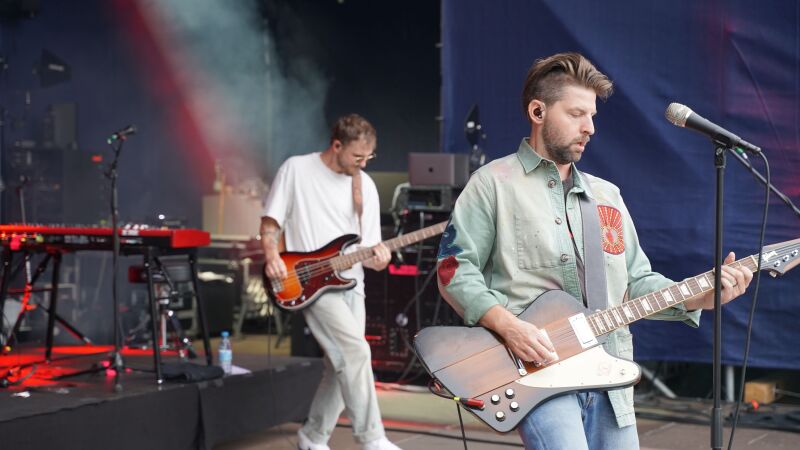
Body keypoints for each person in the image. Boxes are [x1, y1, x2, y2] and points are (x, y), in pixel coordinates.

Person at [436, 52, 753, 449]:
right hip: (539, 376)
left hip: (610, 376)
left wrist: (704, 296)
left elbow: (636, 281)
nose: (590, 128)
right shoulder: (493, 183)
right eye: (576, 114)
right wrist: (509, 326)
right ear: (538, 111)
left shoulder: (606, 196)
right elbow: (453, 269)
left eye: (593, 116)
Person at [261, 114, 401, 450]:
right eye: (357, 157)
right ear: (336, 145)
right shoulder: (296, 169)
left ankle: (313, 436)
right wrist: (271, 256)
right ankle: (372, 438)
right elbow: (270, 222)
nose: (363, 163)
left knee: (339, 365)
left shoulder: (363, 185)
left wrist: (380, 259)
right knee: (355, 352)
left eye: (369, 158)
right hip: (309, 282)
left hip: (353, 284)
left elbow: (369, 249)